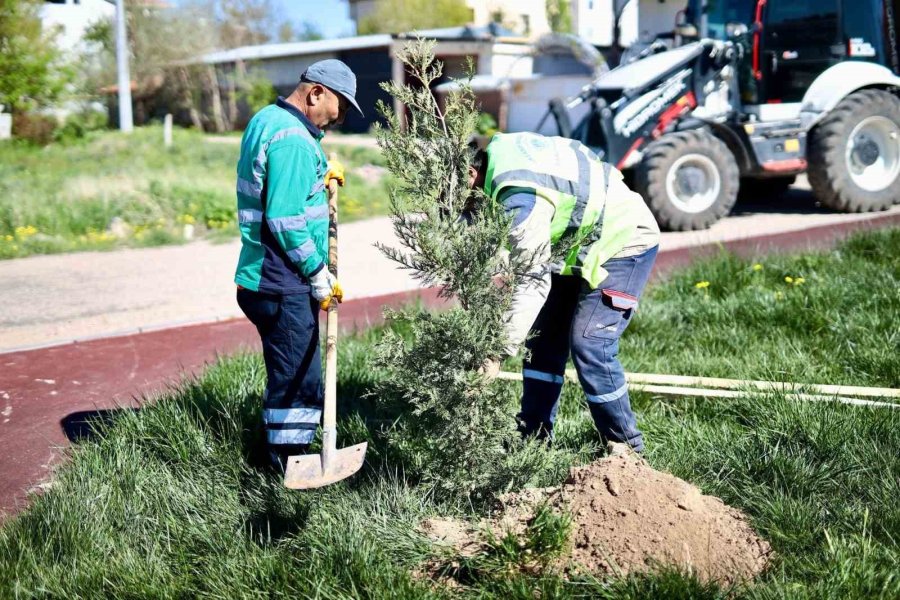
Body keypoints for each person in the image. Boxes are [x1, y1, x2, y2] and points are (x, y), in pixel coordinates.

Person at [469, 132, 660, 452]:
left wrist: (495, 350)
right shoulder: (499, 154)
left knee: (591, 343)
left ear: (470, 174)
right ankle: (533, 440)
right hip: (576, 243)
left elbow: (531, 281)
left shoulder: (518, 195)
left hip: (624, 239)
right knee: (542, 341)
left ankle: (627, 450)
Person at [233, 59, 363, 470]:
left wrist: (320, 175)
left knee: (290, 373)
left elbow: (284, 187)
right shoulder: (292, 139)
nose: (339, 118)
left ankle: (284, 457)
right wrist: (317, 273)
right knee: (298, 380)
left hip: (263, 273)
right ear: (315, 93)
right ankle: (286, 467)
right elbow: (284, 217)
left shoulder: (269, 119)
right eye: (339, 106)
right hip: (282, 279)